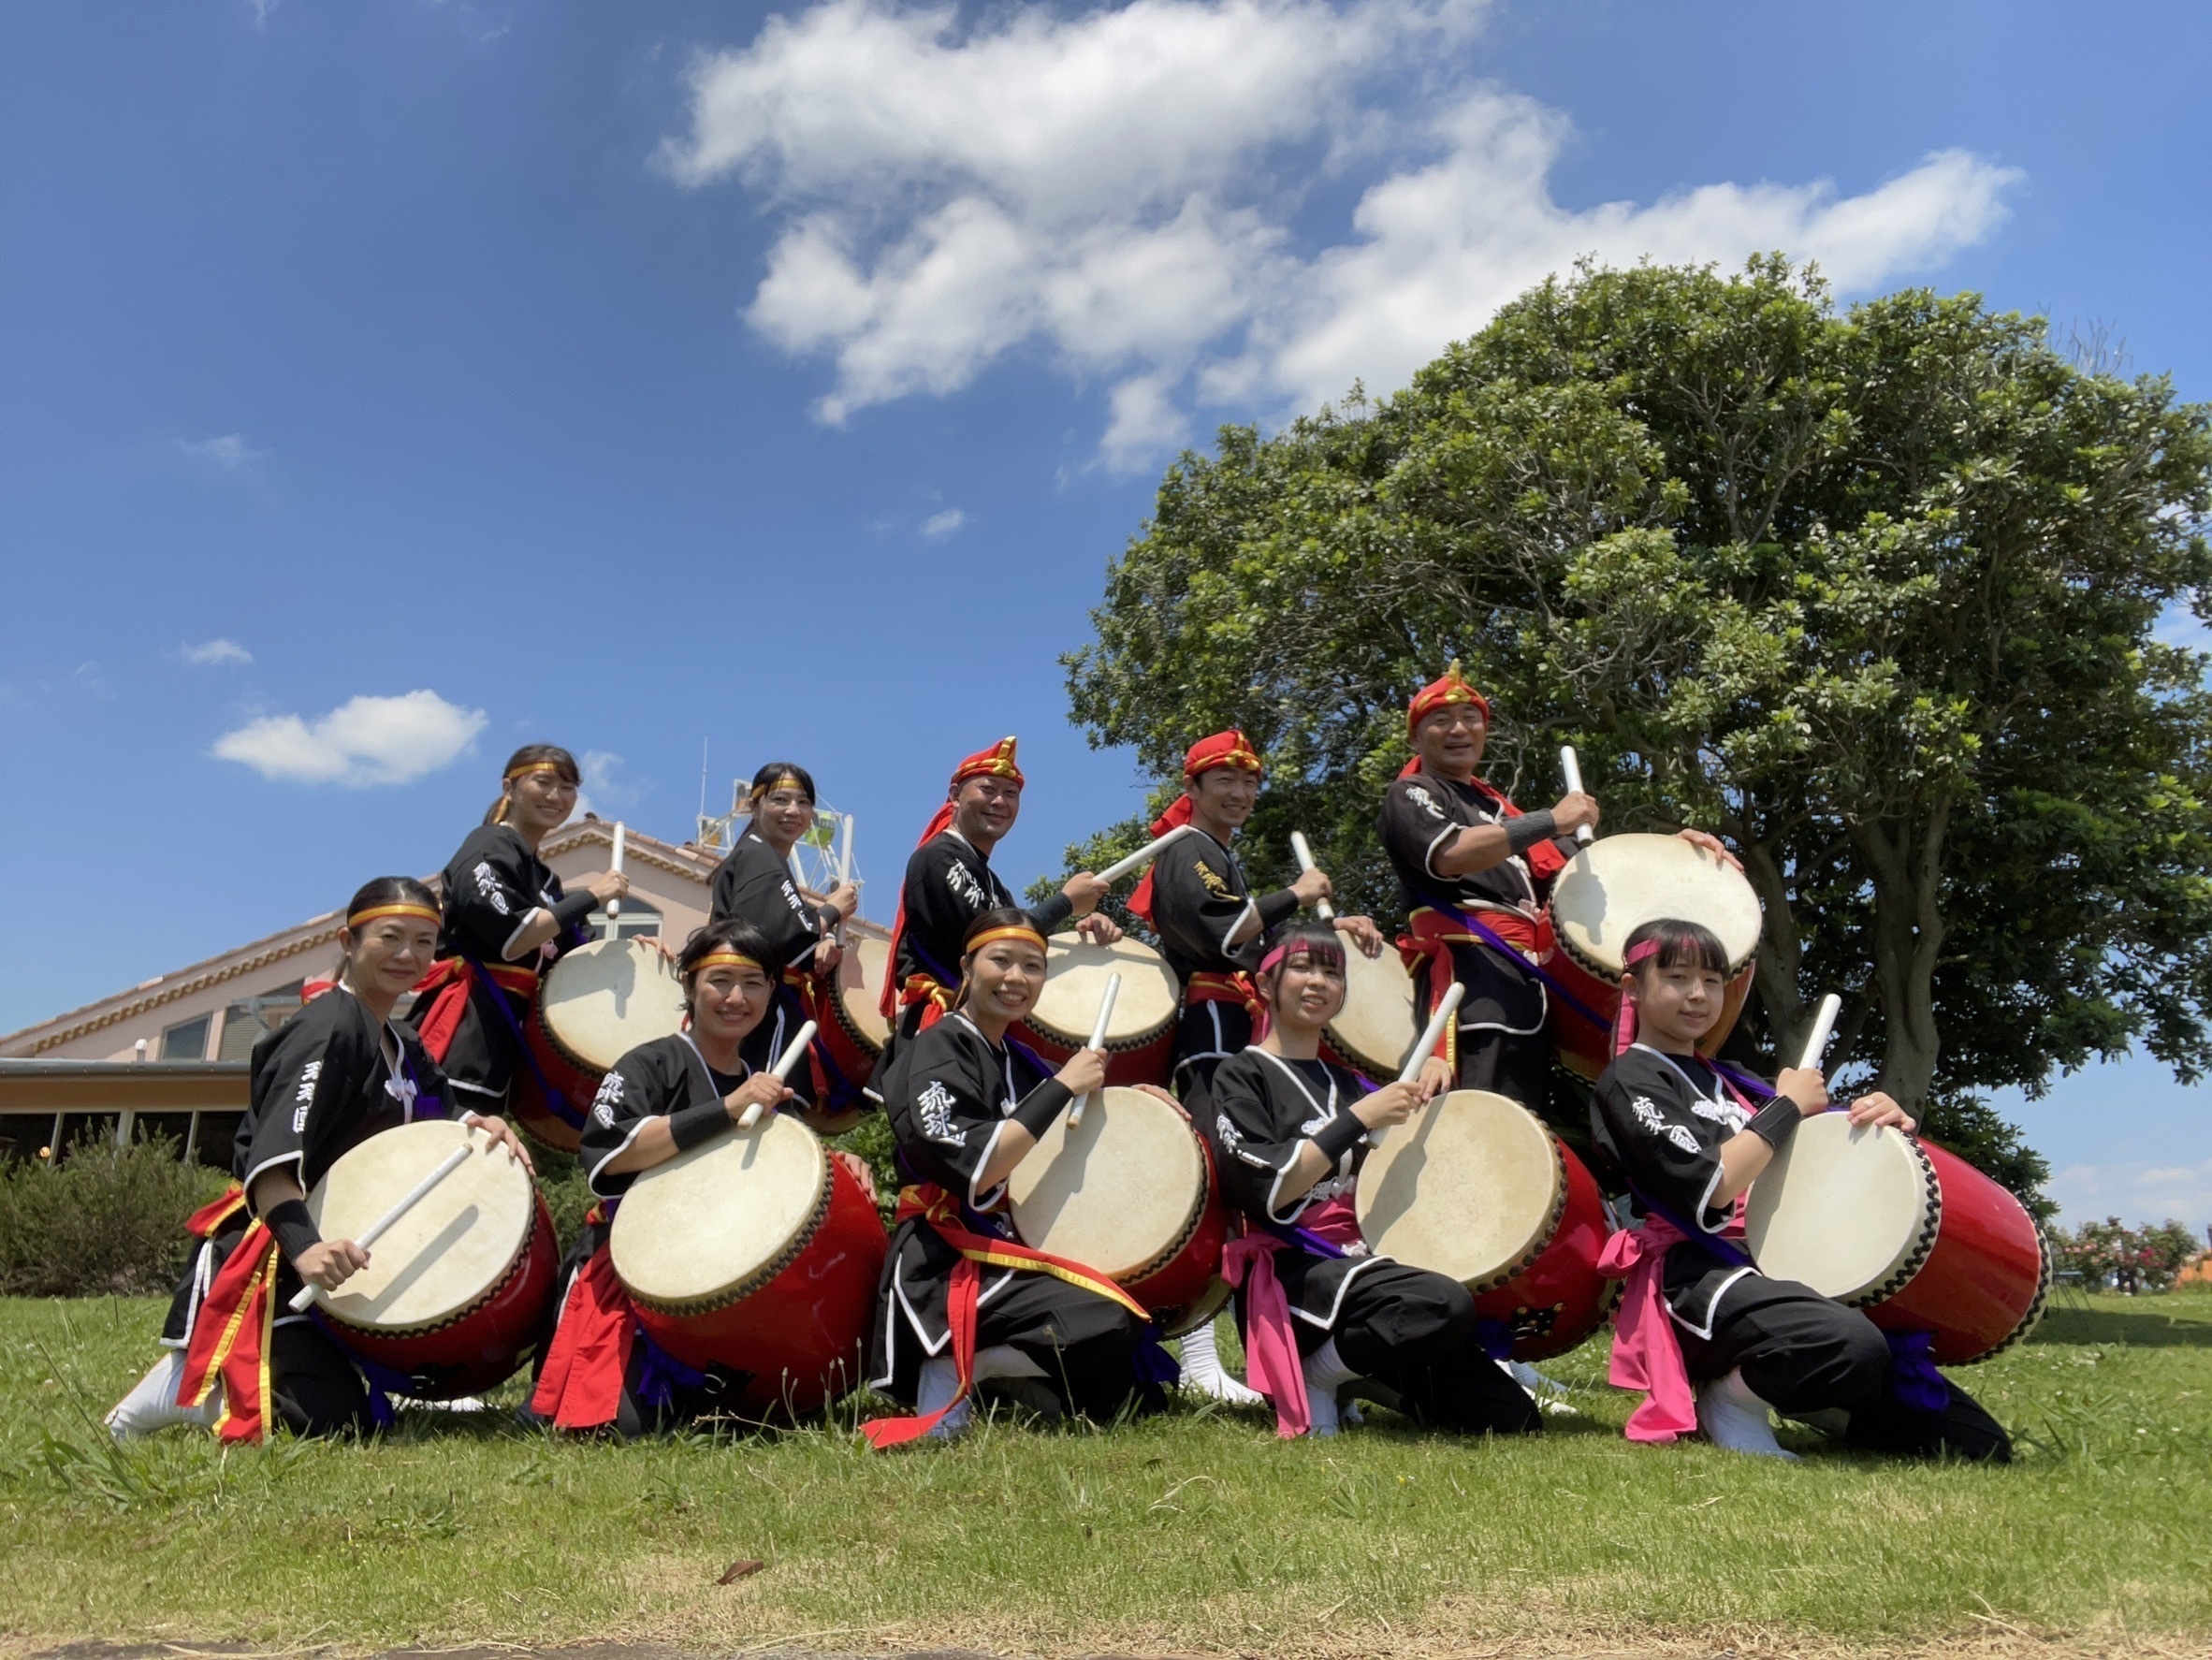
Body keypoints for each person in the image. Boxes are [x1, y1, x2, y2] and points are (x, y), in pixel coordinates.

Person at [106, 879, 532, 1442]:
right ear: (348, 941)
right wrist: (306, 1249)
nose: (409, 955)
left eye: (425, 942)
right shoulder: (326, 1028)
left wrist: (484, 1125)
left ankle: (375, 1371)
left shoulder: (401, 1042)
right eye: (391, 937)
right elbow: (272, 1160)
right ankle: (184, 1385)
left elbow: (442, 1120)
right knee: (331, 1423)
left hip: (349, 1251)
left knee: (362, 1402)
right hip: (281, 1253)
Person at [1589, 917, 2011, 1462]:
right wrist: (1786, 1107)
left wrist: (1876, 1119)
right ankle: (1733, 1398)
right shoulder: (1630, 1080)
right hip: (1702, 1274)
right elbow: (1712, 1186)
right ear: (1634, 988)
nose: (1697, 995)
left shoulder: (1732, 1079)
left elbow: (1818, 1159)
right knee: (1847, 1344)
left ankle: (1816, 1389)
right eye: (1676, 977)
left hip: (1783, 1269)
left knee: (1976, 1444)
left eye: (1713, 981)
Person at [1128, 727, 1385, 1403]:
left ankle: (1244, 1348)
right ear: (1193, 789)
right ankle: (1198, 1356)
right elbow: (1220, 934)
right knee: (1221, 1176)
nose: (1241, 793)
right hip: (1209, 1021)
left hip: (1235, 1015)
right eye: (1225, 782)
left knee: (1244, 1178)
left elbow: (1263, 943)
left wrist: (1334, 927)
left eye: (1249, 783)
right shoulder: (1188, 850)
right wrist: (1297, 895)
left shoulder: (1218, 854)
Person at [1208, 922, 1542, 1440]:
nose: (1318, 981)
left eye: (1331, 972)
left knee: (1509, 1419)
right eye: (1301, 967)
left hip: (1371, 1270)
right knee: (1440, 1302)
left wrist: (1429, 1082)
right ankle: (1319, 1373)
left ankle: (1358, 1372)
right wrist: (1360, 1118)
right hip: (1296, 1270)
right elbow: (1268, 1189)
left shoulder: (1347, 1083)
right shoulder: (1240, 1075)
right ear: (1266, 984)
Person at [1377, 661, 1735, 1111]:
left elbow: (1600, 879)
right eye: (1441, 720)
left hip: (1528, 982)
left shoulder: (1501, 811)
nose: (1459, 729)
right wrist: (1553, 819)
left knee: (1526, 1122)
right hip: (1469, 977)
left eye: (1471, 719)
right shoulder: (1413, 793)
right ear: (1416, 738)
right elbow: (1452, 854)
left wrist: (1675, 853)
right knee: (1480, 1117)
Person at [862, 909, 1157, 1446]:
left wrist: (1141, 1099)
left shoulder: (1015, 1058)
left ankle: (997, 1381)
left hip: (999, 1243)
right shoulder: (938, 1043)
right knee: (1104, 1319)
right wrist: (1065, 1085)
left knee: (1135, 1370)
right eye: (1001, 961)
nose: (1016, 978)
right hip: (943, 1255)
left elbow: (1071, 1123)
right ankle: (951, 1360)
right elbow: (975, 1161)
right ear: (966, 969)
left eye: (1033, 966)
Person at [528, 920, 817, 1434]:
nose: (735, 998)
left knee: (773, 1408)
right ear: (688, 985)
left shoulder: (764, 1086)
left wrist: (840, 1165)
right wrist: (727, 1109)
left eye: (753, 984)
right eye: (720, 980)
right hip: (631, 1267)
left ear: (772, 992)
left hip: (727, 1274)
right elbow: (609, 1155)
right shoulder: (649, 1063)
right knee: (626, 1426)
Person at [412, 745, 630, 1142]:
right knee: (447, 1138)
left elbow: (578, 954)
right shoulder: (488, 845)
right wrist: (594, 894)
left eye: (566, 787)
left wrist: (637, 952)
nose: (555, 796)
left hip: (508, 1026)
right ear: (509, 787)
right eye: (543, 782)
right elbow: (512, 936)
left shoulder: (545, 880)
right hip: (468, 1023)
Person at [879, 737, 1119, 1046]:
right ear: (954, 795)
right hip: (941, 1032)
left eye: (1011, 794)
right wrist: (1065, 903)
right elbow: (998, 938)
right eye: (988, 789)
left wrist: (1077, 937)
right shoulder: (937, 857)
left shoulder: (991, 882)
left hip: (977, 1028)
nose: (1000, 802)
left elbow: (1017, 940)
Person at [707, 762, 866, 1127]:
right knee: (768, 1112)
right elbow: (781, 936)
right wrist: (832, 910)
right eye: (780, 800)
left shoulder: (760, 858)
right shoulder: (759, 857)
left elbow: (785, 928)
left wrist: (820, 940)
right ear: (754, 805)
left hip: (748, 1001)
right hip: (757, 1005)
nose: (794, 811)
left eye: (804, 802)